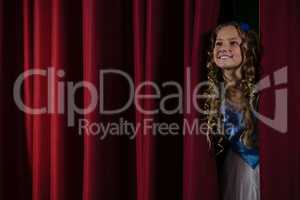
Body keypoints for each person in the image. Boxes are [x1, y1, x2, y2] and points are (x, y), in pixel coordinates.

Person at [204, 22, 261, 200]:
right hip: (236, 165)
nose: (224, 48)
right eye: (219, 43)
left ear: (248, 49)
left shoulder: (257, 88)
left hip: (258, 166)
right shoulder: (213, 92)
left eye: (233, 42)